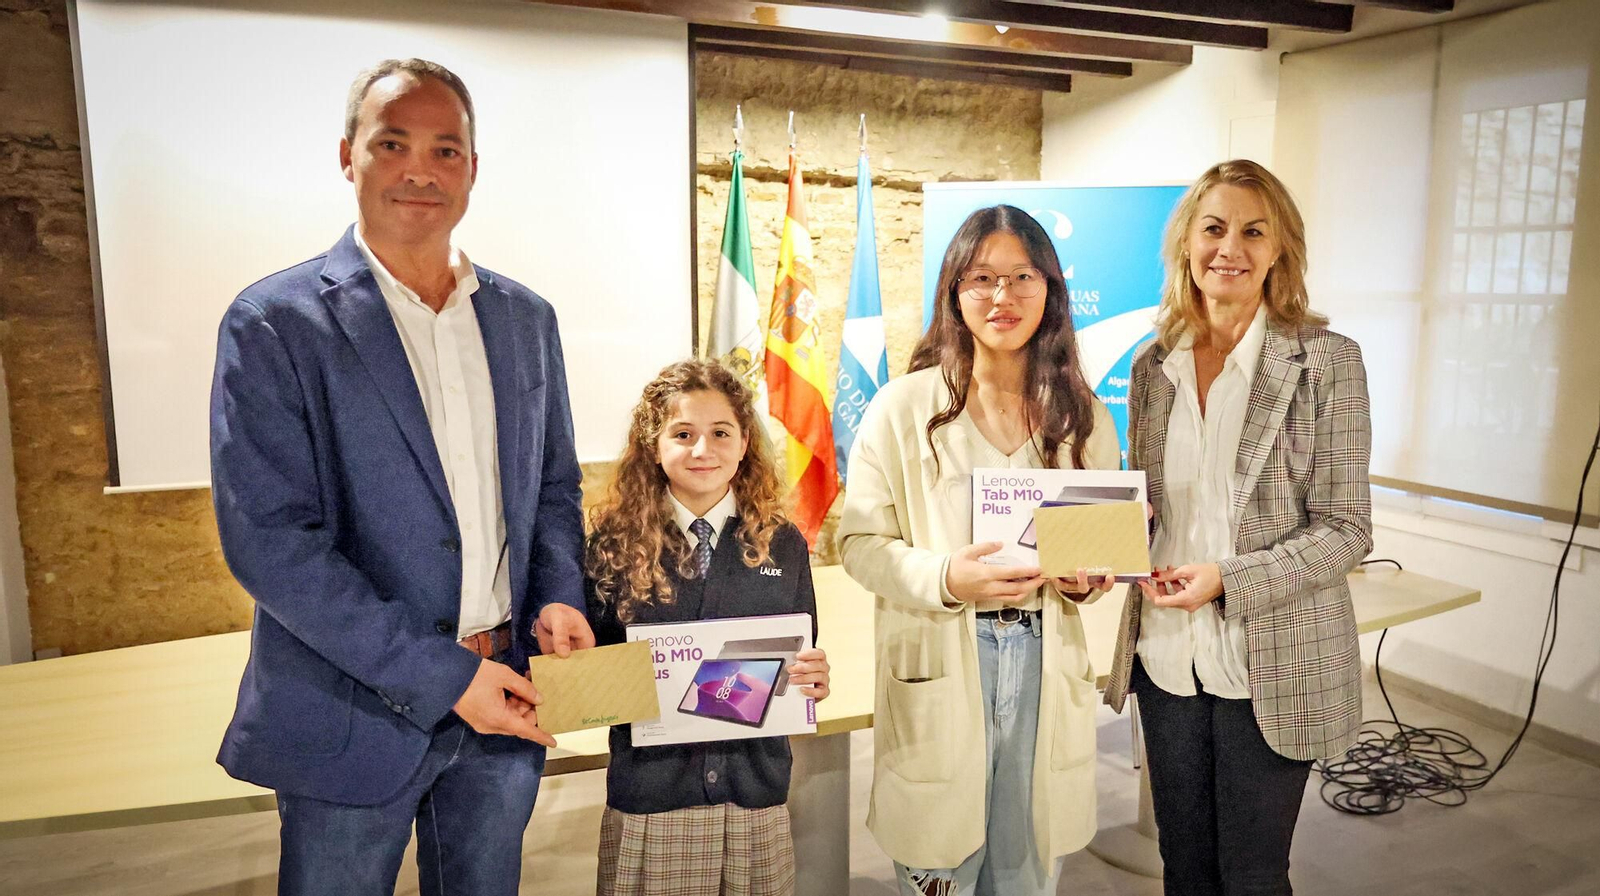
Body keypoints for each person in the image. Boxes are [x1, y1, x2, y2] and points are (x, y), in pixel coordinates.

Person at [209, 58, 594, 896]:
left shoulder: (526, 319)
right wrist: (446, 680)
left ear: (472, 169)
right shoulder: (274, 324)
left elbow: (553, 488)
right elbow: (271, 544)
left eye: (445, 150)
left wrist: (561, 594)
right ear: (347, 156)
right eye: (393, 144)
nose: (421, 170)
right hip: (351, 712)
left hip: (506, 698)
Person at [1101, 159, 1373, 895]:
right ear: (1186, 243)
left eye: (1254, 231)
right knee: (1184, 868)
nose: (1230, 248)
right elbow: (1150, 504)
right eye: (1214, 228)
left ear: (1280, 248)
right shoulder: (1152, 366)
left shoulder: (1327, 363)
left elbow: (1347, 528)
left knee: (1252, 876)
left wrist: (1228, 579)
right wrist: (1104, 532)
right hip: (1167, 652)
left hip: (1273, 658)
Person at [838, 205, 1120, 896]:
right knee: (942, 862)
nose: (1002, 296)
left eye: (1023, 276)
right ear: (954, 291)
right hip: (944, 649)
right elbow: (860, 544)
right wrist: (944, 577)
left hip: (1044, 651)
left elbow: (1098, 551)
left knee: (1026, 869)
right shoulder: (902, 408)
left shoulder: (1083, 414)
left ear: (1050, 289)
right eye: (982, 277)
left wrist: (1086, 580)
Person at [584, 359, 831, 896]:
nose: (703, 449)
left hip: (754, 794)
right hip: (653, 797)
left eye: (721, 432)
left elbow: (802, 650)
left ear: (744, 443)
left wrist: (812, 677)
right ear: (653, 446)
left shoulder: (783, 542)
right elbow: (594, 675)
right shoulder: (614, 545)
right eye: (682, 434)